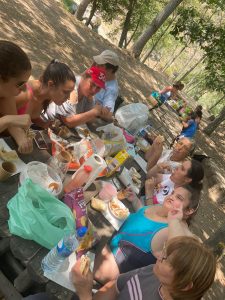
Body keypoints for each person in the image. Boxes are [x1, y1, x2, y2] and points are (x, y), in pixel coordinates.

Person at [93, 184, 202, 284]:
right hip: (100, 248)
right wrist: (135, 200)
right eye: (173, 193)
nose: (171, 196)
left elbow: (192, 244)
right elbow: (144, 219)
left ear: (189, 211)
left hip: (101, 276)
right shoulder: (163, 209)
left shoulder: (173, 230)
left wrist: (177, 223)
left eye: (179, 198)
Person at [71, 236, 216, 300]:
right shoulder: (155, 272)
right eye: (165, 252)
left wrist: (84, 293)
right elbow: (116, 286)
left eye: (168, 260)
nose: (159, 258)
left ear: (184, 286)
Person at [16, 59, 76, 128]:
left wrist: (43, 124)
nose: (68, 97)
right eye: (65, 92)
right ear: (51, 85)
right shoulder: (24, 94)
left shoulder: (48, 97)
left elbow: (30, 115)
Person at [0, 40, 33, 153]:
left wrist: (22, 139)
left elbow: (12, 121)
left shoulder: (5, 94)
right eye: (20, 84)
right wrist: (7, 121)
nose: (24, 89)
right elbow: (10, 119)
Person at [93, 50, 119, 120]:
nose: (96, 66)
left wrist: (97, 106)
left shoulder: (112, 89)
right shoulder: (101, 74)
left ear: (110, 69)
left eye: (101, 65)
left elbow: (107, 115)